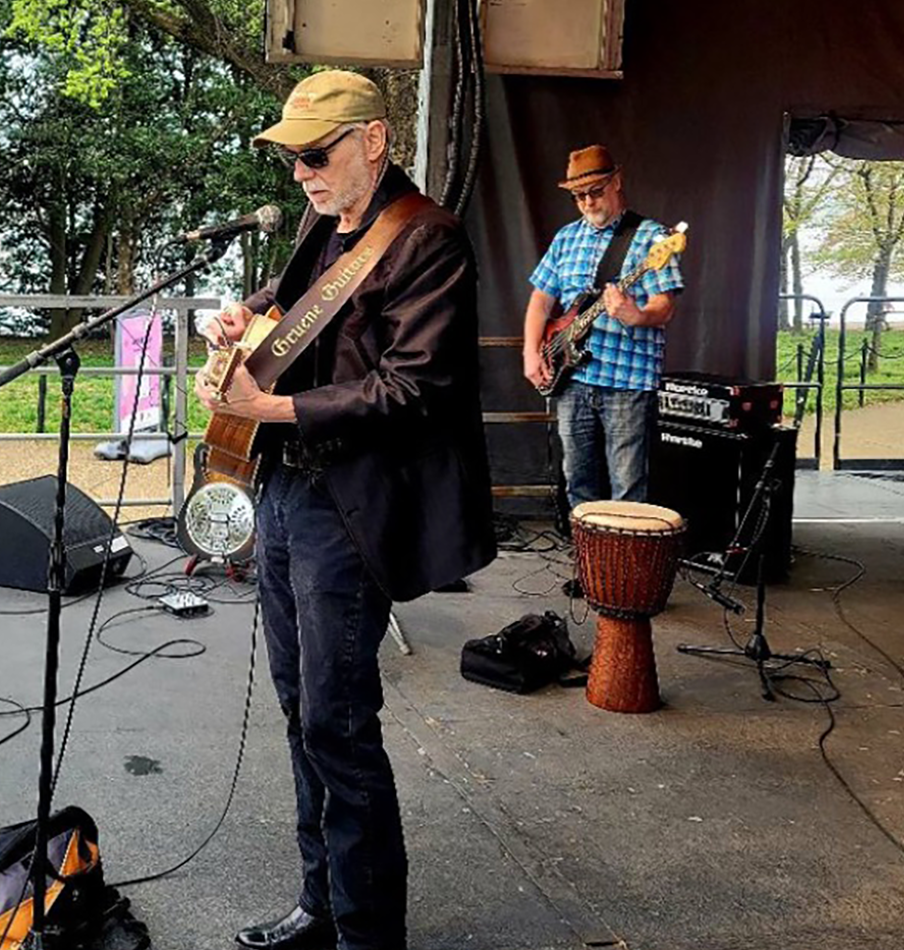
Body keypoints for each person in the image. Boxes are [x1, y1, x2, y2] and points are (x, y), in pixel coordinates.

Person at [193, 70, 496, 950]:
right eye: (291, 159)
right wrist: (239, 318)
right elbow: (291, 307)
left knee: (339, 719)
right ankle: (318, 903)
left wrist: (274, 409)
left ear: (374, 140)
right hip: (284, 491)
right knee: (299, 705)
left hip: (351, 508)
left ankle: (368, 932)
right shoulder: (323, 222)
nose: (301, 174)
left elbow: (416, 387)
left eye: (315, 155)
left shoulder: (429, 240)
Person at [521, 144, 685, 510]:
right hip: (572, 381)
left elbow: (665, 306)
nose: (588, 202)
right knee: (577, 481)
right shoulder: (566, 238)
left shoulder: (653, 239)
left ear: (617, 182)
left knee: (627, 487)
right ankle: (590, 564)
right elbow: (541, 301)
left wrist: (636, 315)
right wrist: (531, 352)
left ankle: (626, 568)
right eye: (579, 196)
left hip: (626, 383)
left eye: (595, 192)